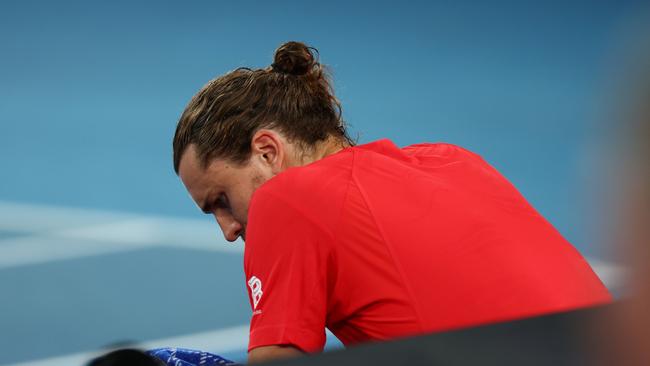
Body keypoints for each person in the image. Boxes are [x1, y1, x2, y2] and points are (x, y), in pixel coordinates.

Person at [172, 41, 612, 364]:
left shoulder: (285, 200)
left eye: (221, 200)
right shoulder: (455, 160)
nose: (228, 229)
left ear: (268, 151)